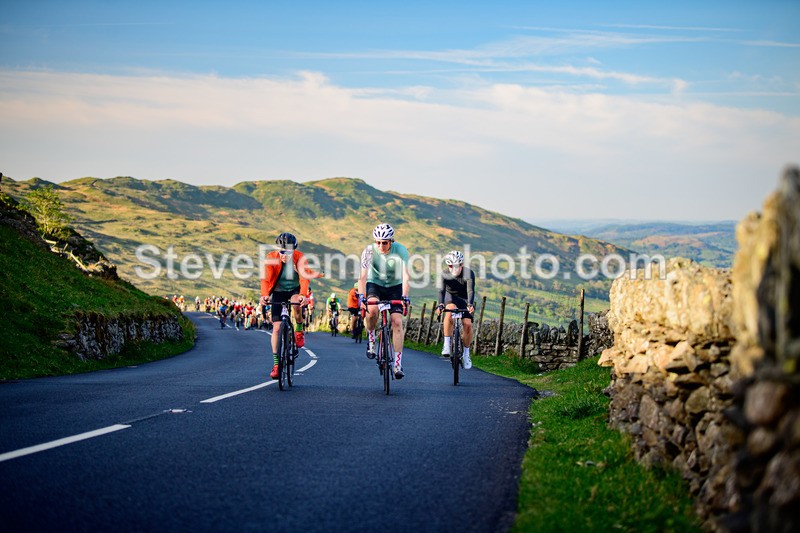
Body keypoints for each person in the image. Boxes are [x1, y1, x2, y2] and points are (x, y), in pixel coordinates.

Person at [261, 232, 323, 379]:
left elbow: (304, 279)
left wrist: (303, 295)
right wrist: (264, 295)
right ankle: (276, 365)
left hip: (295, 289)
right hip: (278, 291)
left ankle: (299, 329)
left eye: (289, 252)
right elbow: (265, 279)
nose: (285, 255)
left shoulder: (300, 258)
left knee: (296, 303)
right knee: (276, 328)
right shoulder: (271, 258)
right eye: (282, 252)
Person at [358, 223, 410, 379]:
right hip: (375, 284)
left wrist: (404, 296)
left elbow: (406, 275)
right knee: (372, 310)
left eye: (385, 243)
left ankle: (397, 365)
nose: (381, 246)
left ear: (391, 241)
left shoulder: (400, 250)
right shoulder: (368, 251)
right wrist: (361, 297)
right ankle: (371, 337)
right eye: (378, 242)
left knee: (397, 322)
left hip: (395, 287)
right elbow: (362, 277)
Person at [436, 250, 475, 369]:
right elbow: (441, 291)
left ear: (462, 264)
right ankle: (447, 344)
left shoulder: (468, 273)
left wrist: (470, 304)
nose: (454, 268)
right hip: (450, 297)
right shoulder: (444, 274)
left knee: (467, 324)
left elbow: (470, 290)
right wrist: (440, 304)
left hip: (464, 298)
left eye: (456, 265)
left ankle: (466, 354)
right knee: (449, 311)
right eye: (450, 266)